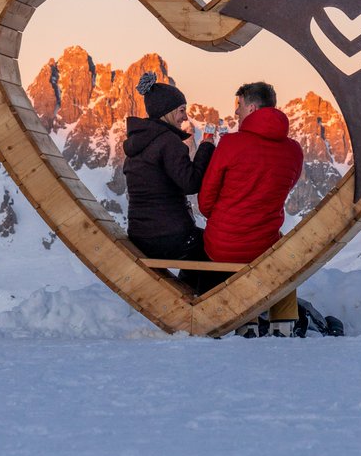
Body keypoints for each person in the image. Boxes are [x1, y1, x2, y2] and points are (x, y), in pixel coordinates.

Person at [198, 81, 304, 337]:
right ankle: (284, 325)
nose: (236, 113)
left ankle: (247, 323)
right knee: (281, 257)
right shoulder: (294, 151)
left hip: (223, 243)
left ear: (253, 108)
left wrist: (225, 219)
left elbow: (205, 201)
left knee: (240, 253)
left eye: (240, 107)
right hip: (264, 242)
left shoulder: (231, 144)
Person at [123, 70, 215, 283]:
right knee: (216, 249)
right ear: (167, 111)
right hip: (169, 237)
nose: (185, 117)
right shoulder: (167, 141)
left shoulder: (139, 142)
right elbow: (190, 183)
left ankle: (190, 296)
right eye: (182, 110)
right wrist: (206, 148)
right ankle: (222, 309)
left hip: (141, 236)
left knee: (199, 254)